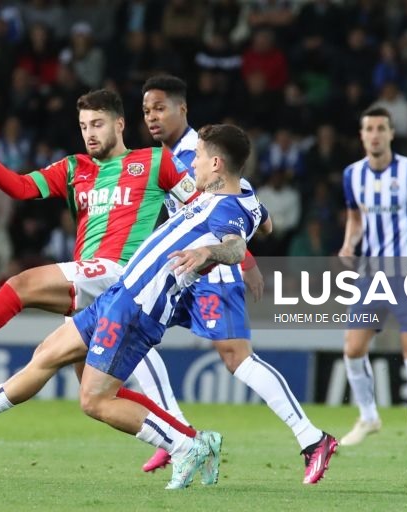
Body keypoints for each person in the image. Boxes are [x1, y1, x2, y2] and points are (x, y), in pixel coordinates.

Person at [0, 124, 337, 488]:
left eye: (196, 158)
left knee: (95, 400)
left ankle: (186, 444)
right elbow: (264, 221)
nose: (189, 164)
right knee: (48, 354)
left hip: (140, 306)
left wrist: (210, 250)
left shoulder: (226, 208)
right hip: (120, 293)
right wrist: (258, 220)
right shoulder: (240, 196)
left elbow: (233, 246)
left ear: (215, 164)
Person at [0, 89, 197, 445]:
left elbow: (199, 206)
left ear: (119, 124)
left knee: (22, 285)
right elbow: (24, 188)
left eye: (97, 124)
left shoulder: (154, 161)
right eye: (84, 125)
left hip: (120, 273)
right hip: (91, 283)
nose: (89, 133)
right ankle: (190, 440)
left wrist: (226, 251)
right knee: (88, 390)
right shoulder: (75, 168)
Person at [141, 74, 335, 474]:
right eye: (146, 110)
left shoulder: (201, 153)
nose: (152, 117)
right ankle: (176, 434)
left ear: (183, 109)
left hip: (210, 270)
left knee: (237, 359)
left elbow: (243, 199)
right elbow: (259, 214)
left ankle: (311, 438)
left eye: (160, 108)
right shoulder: (162, 157)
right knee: (135, 337)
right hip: (181, 271)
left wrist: (244, 261)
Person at [338, 106, 407, 449]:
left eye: (381, 128)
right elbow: (355, 218)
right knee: (353, 348)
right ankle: (368, 417)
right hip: (371, 274)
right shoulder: (352, 175)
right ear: (362, 135)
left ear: (391, 134)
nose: (374, 134)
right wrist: (348, 244)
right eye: (369, 128)